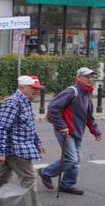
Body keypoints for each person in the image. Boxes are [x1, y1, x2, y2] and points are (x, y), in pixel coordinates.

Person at [0, 75, 60, 206]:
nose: (36, 91)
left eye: (37, 89)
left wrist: (38, 142)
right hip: (16, 149)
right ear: (22, 88)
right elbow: (1, 128)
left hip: (21, 147)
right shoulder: (13, 103)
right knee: (29, 178)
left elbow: (29, 125)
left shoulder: (25, 102)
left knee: (0, 179)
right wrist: (0, 151)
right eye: (33, 88)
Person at [39, 67, 102, 195]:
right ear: (78, 78)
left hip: (77, 132)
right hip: (65, 131)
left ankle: (67, 184)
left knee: (76, 159)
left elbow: (89, 117)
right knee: (72, 158)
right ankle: (46, 172)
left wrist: (96, 132)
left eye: (91, 77)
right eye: (86, 76)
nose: (90, 79)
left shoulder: (86, 95)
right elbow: (53, 108)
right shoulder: (72, 91)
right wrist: (62, 126)